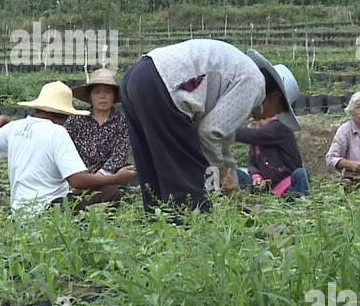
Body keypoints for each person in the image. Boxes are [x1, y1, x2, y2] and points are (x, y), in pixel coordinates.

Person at [119, 39, 301, 214]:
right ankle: (189, 236)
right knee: (189, 189)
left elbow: (222, 141)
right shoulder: (255, 83)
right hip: (163, 84)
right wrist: (219, 178)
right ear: (276, 96)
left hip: (137, 78)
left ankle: (160, 233)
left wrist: (232, 184)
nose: (271, 117)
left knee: (154, 178)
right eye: (278, 111)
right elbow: (208, 134)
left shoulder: (241, 75)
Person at [0, 81, 135, 216]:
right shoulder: (57, 132)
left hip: (20, 210)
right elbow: (77, 181)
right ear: (62, 114)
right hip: (50, 209)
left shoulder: (14, 127)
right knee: (111, 191)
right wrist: (117, 178)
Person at [64, 68, 132, 205]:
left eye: (107, 92)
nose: (102, 96)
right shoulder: (75, 120)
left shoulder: (122, 121)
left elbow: (119, 154)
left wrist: (96, 179)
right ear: (90, 97)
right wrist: (80, 179)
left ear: (114, 96)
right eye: (97, 92)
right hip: (77, 180)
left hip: (111, 180)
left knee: (114, 192)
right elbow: (64, 149)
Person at [234, 114, 309, 197]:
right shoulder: (258, 139)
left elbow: (255, 135)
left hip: (286, 184)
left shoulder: (280, 127)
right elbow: (252, 163)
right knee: (234, 172)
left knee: (301, 173)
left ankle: (297, 199)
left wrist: (226, 130)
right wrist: (256, 177)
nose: (255, 121)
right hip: (265, 188)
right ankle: (248, 198)